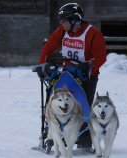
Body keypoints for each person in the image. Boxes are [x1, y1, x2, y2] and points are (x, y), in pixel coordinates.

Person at [39, 3, 107, 149]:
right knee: (58, 101)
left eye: (64, 20)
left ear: (75, 20)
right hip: (67, 75)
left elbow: (101, 57)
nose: (61, 23)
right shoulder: (62, 32)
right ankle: (53, 133)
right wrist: (42, 65)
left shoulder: (93, 34)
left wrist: (88, 65)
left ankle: (84, 137)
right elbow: (48, 47)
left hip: (87, 77)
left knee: (83, 106)